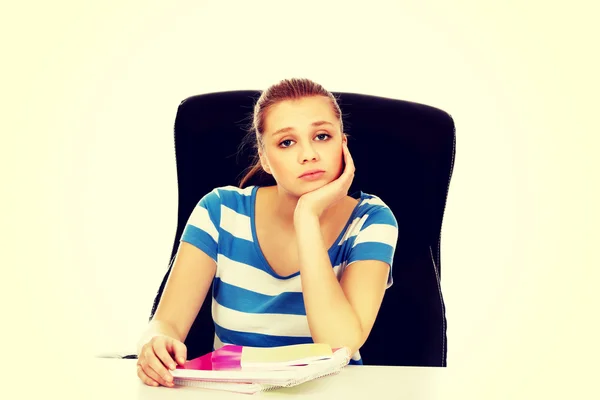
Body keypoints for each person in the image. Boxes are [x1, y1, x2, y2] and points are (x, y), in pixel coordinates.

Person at [135, 78, 399, 387]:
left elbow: (339, 344)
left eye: (322, 136)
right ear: (264, 158)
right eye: (287, 142)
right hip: (233, 394)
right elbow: (166, 323)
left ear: (343, 144)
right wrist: (154, 343)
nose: (309, 154)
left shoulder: (371, 220)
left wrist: (307, 216)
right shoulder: (220, 210)